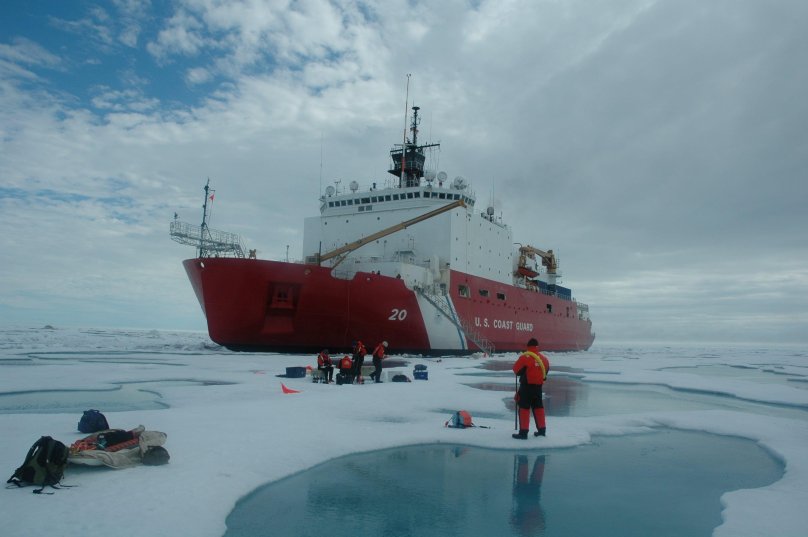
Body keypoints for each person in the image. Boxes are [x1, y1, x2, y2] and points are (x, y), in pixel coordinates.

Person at [511, 337, 550, 439]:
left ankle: (523, 433)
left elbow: (516, 370)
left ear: (528, 346)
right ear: (537, 346)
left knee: (524, 408)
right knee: (538, 408)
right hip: (538, 389)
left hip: (526, 388)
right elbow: (546, 372)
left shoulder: (525, 357)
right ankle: (542, 431)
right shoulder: (544, 359)